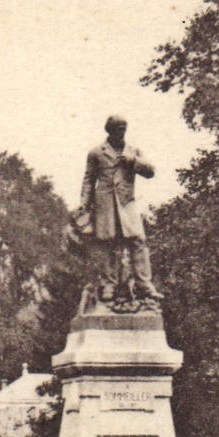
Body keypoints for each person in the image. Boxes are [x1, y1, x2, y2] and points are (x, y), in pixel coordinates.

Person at [78, 114, 158, 307]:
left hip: (127, 203)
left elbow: (150, 171)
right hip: (105, 203)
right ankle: (109, 285)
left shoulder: (133, 151)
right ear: (110, 130)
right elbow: (89, 179)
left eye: (124, 128)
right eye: (118, 128)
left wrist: (132, 161)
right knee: (109, 243)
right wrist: (84, 203)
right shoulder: (96, 152)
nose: (122, 131)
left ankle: (144, 284)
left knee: (138, 239)